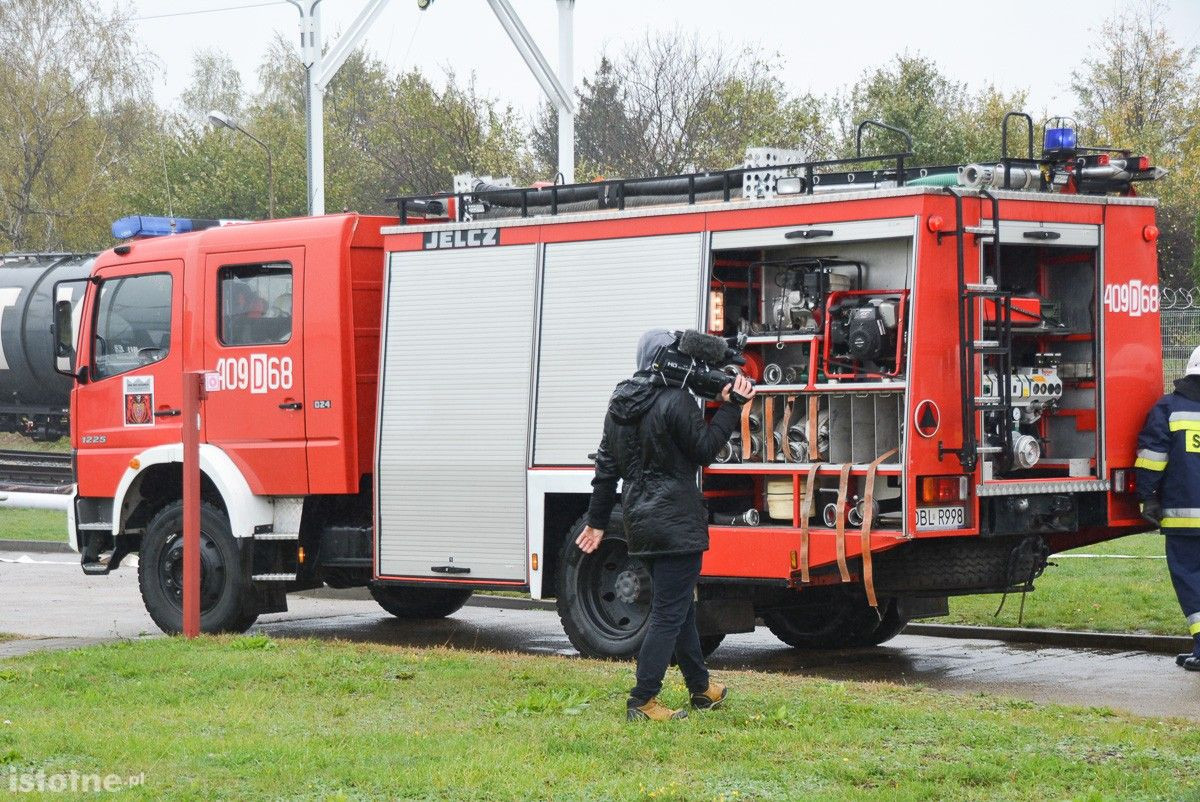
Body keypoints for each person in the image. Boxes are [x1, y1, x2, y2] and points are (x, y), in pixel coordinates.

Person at [578, 329, 755, 720]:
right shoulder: (676, 400)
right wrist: (732, 407)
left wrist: (597, 521)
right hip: (676, 522)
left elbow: (605, 471)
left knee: (678, 607)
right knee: (668, 612)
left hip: (641, 521)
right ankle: (643, 700)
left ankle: (701, 687)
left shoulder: (620, 404)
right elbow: (705, 450)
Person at [1136, 344, 1200, 671]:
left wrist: (1147, 496)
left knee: (1191, 579)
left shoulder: (1169, 409)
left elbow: (1152, 458)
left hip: (1185, 521)